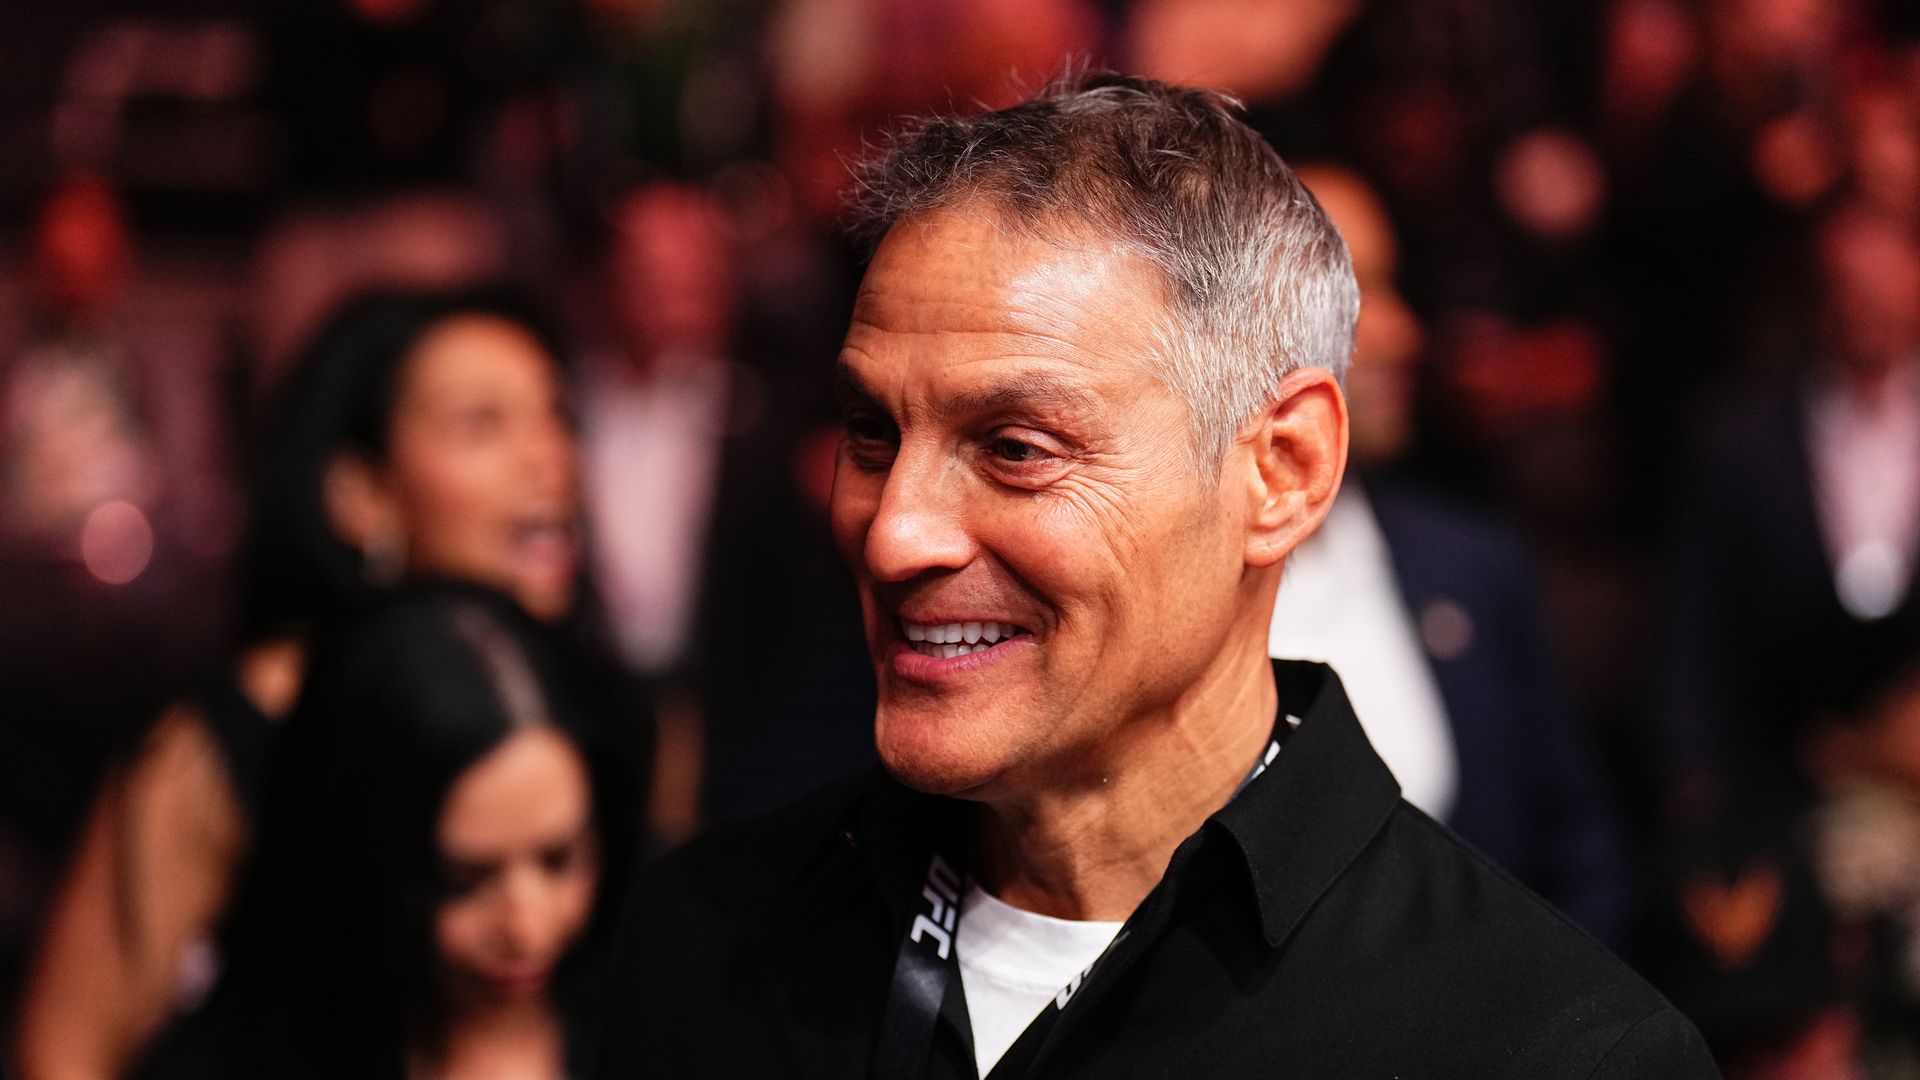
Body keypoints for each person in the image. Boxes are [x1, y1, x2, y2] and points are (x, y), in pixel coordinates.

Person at [598, 71, 1716, 1078]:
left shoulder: (1548, 1053)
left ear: (1282, 471)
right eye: (872, 433)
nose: (895, 534)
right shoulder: (704, 950)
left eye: (1016, 448)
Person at [14, 286, 586, 1080]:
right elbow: (65, 1049)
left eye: (555, 413)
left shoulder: (573, 710)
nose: (550, 458)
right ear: (359, 495)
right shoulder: (238, 737)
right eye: (482, 422)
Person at [1269, 164, 1632, 945]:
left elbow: (1577, 852)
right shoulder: (1164, 590)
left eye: (1394, 287)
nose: (1405, 333)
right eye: (1353, 296)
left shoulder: (1472, 566)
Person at [162, 582, 629, 1080]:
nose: (525, 927)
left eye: (559, 860)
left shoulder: (665, 1008)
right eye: (464, 882)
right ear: (361, 859)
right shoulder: (253, 1053)